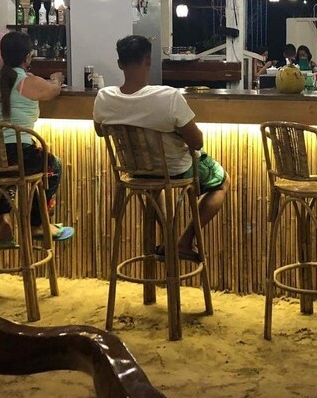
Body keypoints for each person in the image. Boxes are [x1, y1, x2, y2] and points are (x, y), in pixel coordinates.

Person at [94, 35, 228, 262]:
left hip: (136, 171)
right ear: (148, 60)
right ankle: (184, 241)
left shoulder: (104, 97)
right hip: (174, 170)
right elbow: (197, 142)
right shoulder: (168, 97)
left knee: (155, 186)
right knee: (222, 182)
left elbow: (100, 131)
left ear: (119, 63)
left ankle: (169, 238)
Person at [0, 31, 73, 246]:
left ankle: (4, 217)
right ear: (28, 56)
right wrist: (56, 79)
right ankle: (37, 224)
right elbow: (54, 91)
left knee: (6, 176)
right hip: (19, 154)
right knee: (53, 166)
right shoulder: (30, 82)